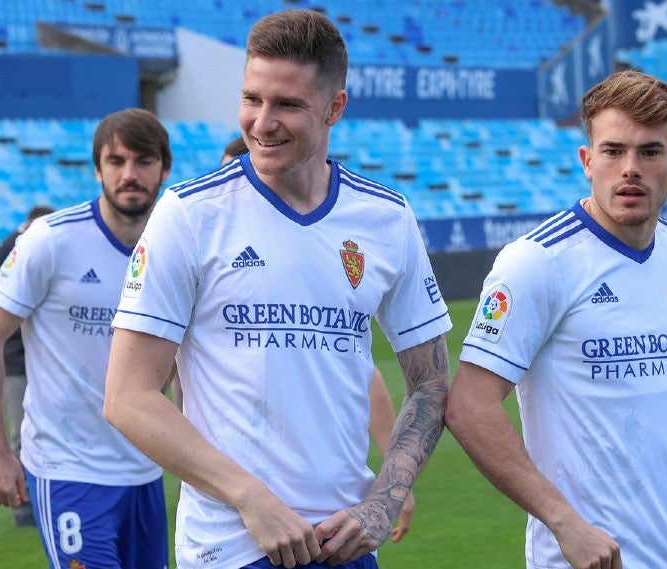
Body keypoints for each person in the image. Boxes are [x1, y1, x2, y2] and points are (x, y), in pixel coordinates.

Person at [103, 10, 450, 569]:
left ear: (335, 107)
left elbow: (431, 383)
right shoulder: (190, 215)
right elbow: (127, 397)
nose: (261, 123)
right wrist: (250, 497)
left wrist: (383, 504)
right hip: (232, 547)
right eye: (251, 99)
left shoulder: (386, 218)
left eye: (287, 104)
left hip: (343, 546)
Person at [446, 70, 667, 569]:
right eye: (612, 151)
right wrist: (563, 521)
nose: (630, 168)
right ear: (587, 160)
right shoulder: (539, 262)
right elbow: (469, 405)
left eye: (649, 152)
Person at [0, 108, 171, 568]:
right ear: (97, 169)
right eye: (116, 161)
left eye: (143, 161)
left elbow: (179, 360)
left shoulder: (172, 248)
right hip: (68, 471)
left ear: (164, 168)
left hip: (145, 472)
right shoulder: (50, 240)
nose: (130, 174)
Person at [0, 204, 54, 528]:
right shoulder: (14, 260)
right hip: (14, 361)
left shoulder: (51, 258)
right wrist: (19, 237)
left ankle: (45, 498)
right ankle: (23, 507)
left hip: (47, 362)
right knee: (18, 433)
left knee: (47, 431)